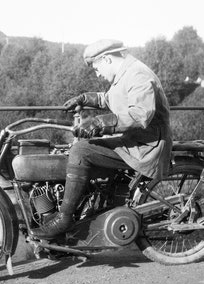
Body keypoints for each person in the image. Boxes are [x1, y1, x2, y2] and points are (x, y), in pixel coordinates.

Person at [31, 39, 173, 239]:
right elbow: (109, 98)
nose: (97, 74)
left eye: (96, 68)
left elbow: (140, 114)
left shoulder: (138, 75)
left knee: (81, 151)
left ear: (106, 59)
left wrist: (98, 123)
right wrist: (84, 98)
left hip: (144, 148)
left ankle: (64, 219)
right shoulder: (126, 74)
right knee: (78, 149)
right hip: (134, 142)